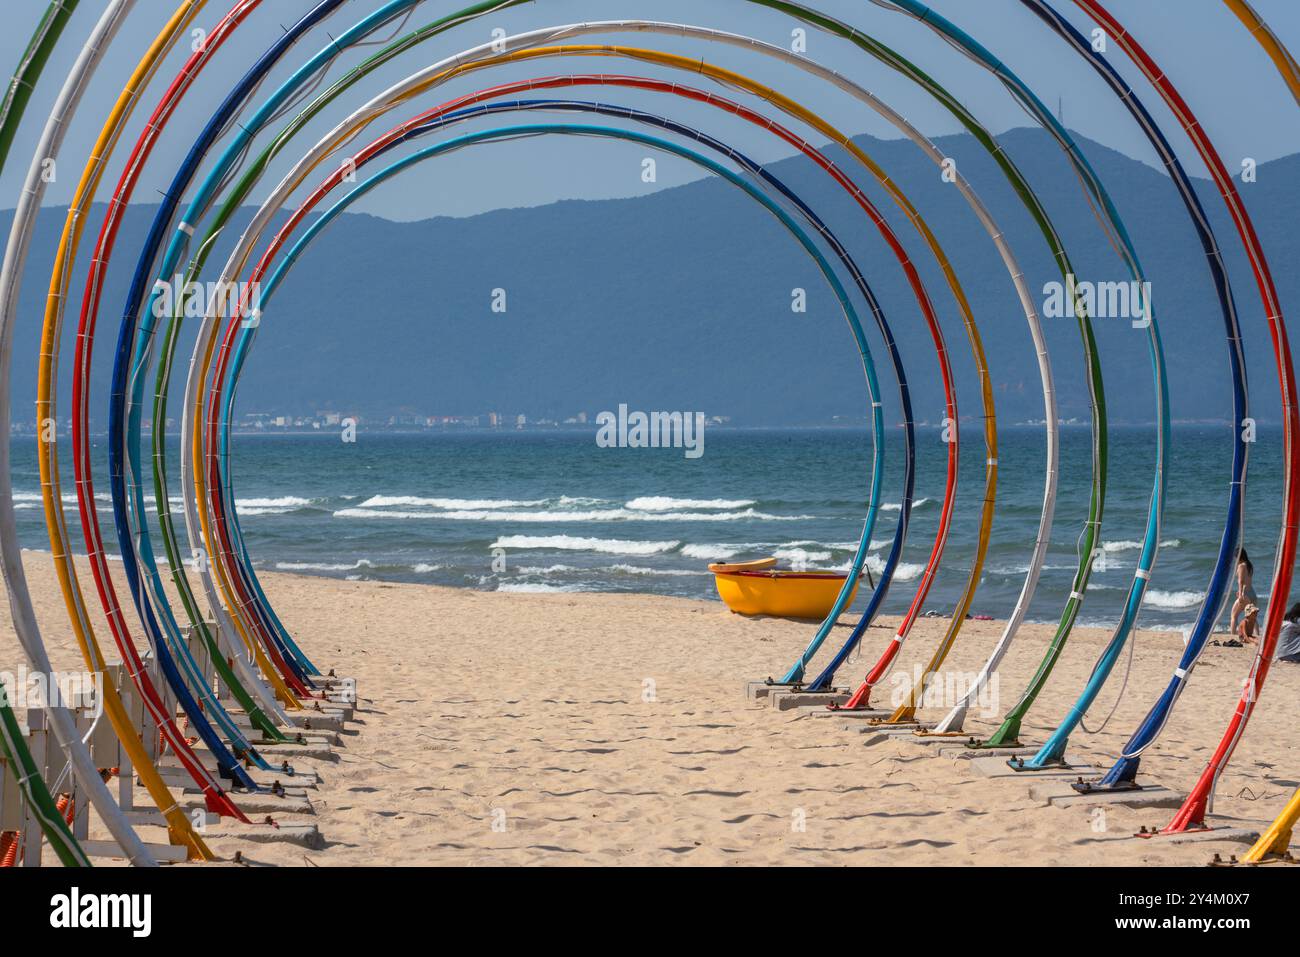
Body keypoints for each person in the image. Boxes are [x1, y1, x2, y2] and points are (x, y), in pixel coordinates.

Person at [1229, 548, 1258, 634]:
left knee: (1234, 615)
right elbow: (1247, 580)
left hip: (1245, 594)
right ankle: (1257, 634)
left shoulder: (1241, 566)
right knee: (1252, 617)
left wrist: (1240, 593)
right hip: (1252, 593)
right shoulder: (1249, 565)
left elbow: (1241, 581)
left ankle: (1232, 635)